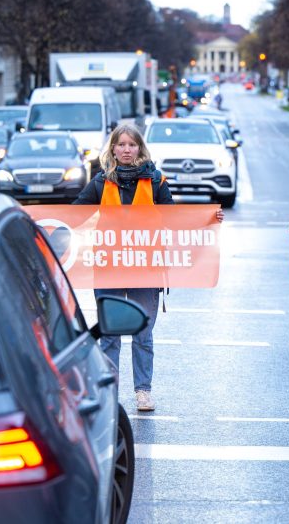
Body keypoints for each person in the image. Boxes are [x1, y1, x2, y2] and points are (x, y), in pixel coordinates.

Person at [74, 124, 223, 412]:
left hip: (146, 269)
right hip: (110, 267)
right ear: (113, 149)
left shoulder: (156, 182)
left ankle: (143, 391)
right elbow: (74, 213)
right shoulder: (100, 182)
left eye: (132, 145)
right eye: (121, 145)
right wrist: (39, 219)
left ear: (140, 149)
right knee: (110, 334)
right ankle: (109, 391)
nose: (127, 150)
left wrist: (208, 218)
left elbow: (174, 219)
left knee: (142, 333)